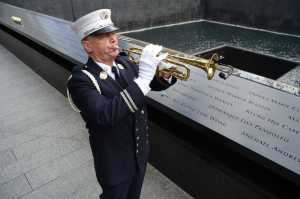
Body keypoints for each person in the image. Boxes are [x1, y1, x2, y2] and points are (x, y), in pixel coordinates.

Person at [67, 9, 176, 199]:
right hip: (114, 163)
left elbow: (150, 84)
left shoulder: (125, 63)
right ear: (88, 45)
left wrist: (164, 74)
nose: (113, 39)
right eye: (104, 36)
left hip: (139, 153)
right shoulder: (81, 80)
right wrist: (143, 76)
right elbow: (104, 115)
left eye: (113, 33)